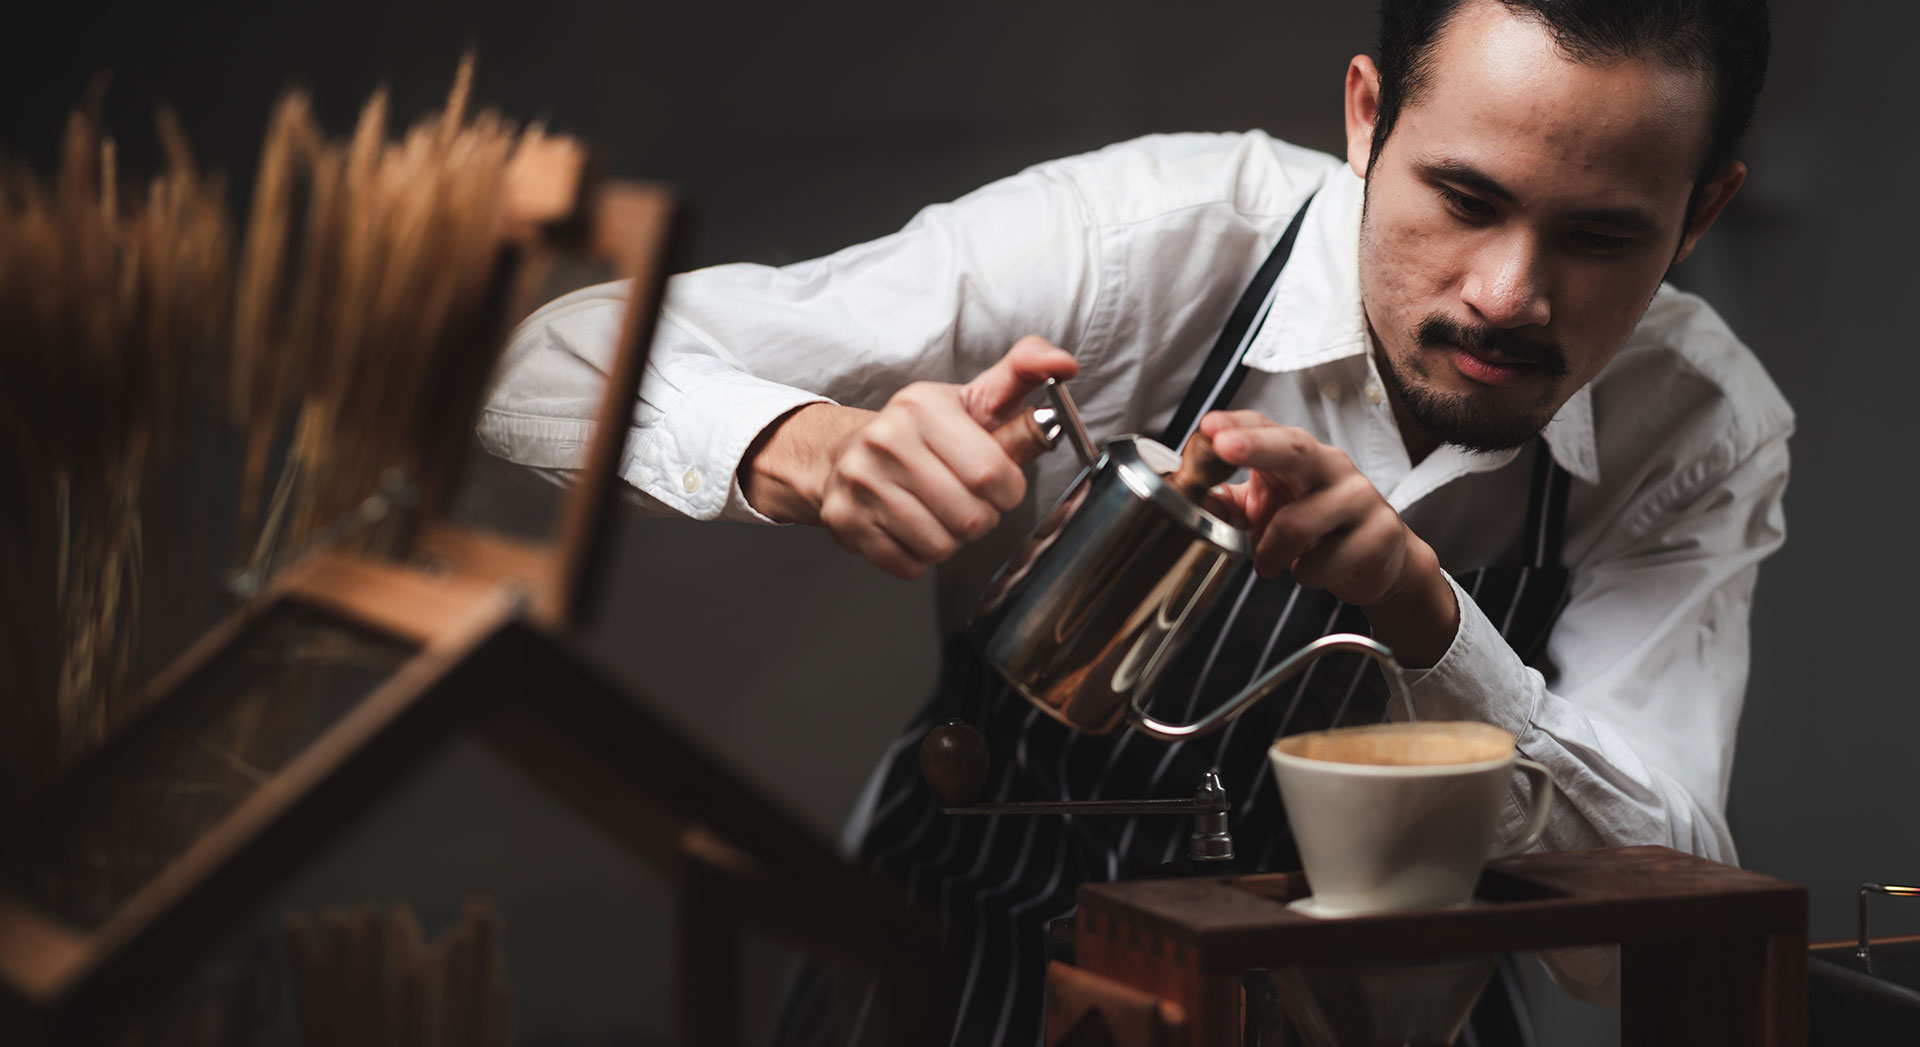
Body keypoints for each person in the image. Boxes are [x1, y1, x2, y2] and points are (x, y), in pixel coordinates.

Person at [480, 0, 1786, 1042]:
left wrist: (1429, 619)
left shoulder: (1696, 425)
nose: (1508, 294)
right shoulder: (1141, 245)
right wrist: (813, 450)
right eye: (1467, 199)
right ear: (1365, 117)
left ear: (1702, 214)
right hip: (972, 976)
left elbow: (1641, 947)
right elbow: (543, 362)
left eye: (1601, 237)